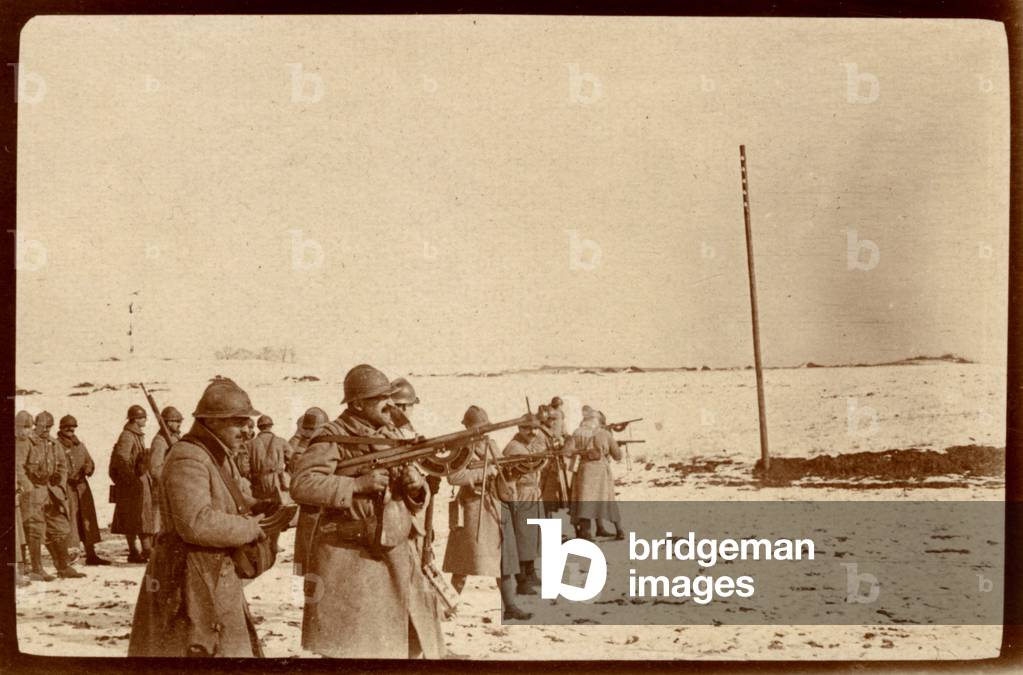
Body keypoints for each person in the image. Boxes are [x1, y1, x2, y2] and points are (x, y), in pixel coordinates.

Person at [291, 364, 444, 658]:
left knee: (405, 640)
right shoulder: (332, 435)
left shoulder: (390, 433)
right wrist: (357, 484)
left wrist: (414, 488)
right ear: (358, 403)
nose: (388, 403)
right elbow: (302, 484)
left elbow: (414, 494)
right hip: (352, 558)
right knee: (357, 647)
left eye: (389, 396)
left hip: (395, 550)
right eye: (379, 398)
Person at [128, 376, 268, 657]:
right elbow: (196, 522)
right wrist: (250, 527)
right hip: (188, 579)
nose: (246, 430)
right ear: (213, 422)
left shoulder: (216, 453)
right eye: (238, 422)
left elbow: (228, 498)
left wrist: (264, 506)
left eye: (247, 422)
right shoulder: (188, 457)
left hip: (212, 573)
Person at [442, 405, 530, 620]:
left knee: (504, 559)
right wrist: (482, 473)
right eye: (478, 428)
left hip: (494, 507)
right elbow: (454, 477)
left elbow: (502, 469)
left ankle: (510, 606)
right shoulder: (460, 448)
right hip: (472, 509)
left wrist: (511, 473)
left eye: (484, 428)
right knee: (463, 563)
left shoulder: (492, 445)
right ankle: (447, 607)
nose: (482, 433)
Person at [24, 411, 84, 579]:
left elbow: (62, 465)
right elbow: (19, 467)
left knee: (59, 527)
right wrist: (32, 480)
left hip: (52, 493)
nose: (46, 430)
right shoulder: (27, 442)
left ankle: (63, 566)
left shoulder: (53, 443)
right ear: (36, 425)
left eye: (49, 427)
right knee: (36, 529)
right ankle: (37, 569)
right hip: (34, 494)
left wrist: (60, 482)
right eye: (43, 426)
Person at [57, 415, 108, 565]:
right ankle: (70, 556)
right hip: (67, 488)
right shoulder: (56, 445)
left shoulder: (79, 445)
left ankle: (91, 554)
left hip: (82, 487)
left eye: (73, 427)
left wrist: (87, 468)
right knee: (70, 521)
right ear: (61, 428)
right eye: (67, 427)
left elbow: (89, 462)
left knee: (87, 519)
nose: (70, 429)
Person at [110, 405, 157, 563]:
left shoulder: (135, 435)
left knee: (138, 516)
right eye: (143, 417)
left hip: (138, 480)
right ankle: (141, 550)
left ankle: (140, 550)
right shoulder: (128, 436)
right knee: (136, 517)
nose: (145, 420)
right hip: (132, 482)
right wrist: (131, 479)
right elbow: (121, 459)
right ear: (136, 419)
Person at [502, 415, 544, 595]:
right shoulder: (514, 447)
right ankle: (522, 580)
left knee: (533, 535)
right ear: (519, 429)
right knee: (522, 536)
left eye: (535, 428)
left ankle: (530, 571)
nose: (533, 432)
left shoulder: (531, 444)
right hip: (521, 494)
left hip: (533, 493)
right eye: (528, 429)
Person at [569, 408, 624, 541]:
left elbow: (567, 451)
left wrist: (582, 452)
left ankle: (587, 533)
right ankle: (619, 530)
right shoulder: (605, 433)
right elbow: (618, 456)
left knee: (585, 500)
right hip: (601, 471)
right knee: (608, 499)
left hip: (584, 470)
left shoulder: (576, 433)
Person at [290, 406, 329, 576]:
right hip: (313, 509)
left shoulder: (300, 446)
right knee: (312, 558)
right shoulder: (305, 450)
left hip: (314, 510)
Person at [535, 404, 575, 518]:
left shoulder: (549, 432)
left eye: (554, 419)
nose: (553, 422)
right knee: (546, 500)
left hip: (553, 468)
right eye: (550, 419)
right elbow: (539, 453)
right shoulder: (540, 433)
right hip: (545, 470)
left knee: (551, 499)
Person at [15, 410, 35, 585]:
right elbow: (17, 467)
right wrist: (27, 485)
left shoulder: (24, 441)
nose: (29, 431)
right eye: (26, 427)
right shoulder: (20, 443)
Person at [249, 415, 289, 501]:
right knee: (280, 508)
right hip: (278, 482)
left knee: (262, 509)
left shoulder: (250, 444)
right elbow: (293, 460)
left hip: (258, 483)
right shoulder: (281, 441)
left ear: (259, 427)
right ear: (271, 426)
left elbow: (244, 468)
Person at [148, 406, 184, 492]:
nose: (180, 424)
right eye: (177, 421)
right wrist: (172, 479)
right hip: (164, 490)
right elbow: (155, 470)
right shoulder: (160, 441)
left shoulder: (175, 438)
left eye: (180, 421)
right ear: (168, 423)